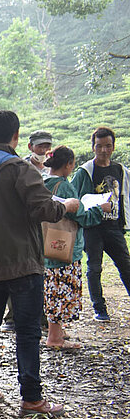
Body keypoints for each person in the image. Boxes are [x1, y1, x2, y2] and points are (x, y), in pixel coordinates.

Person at [0, 110, 79, 417]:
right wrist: (66, 204)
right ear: (16, 136)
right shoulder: (17, 168)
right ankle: (32, 398)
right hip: (22, 262)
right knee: (27, 330)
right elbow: (44, 209)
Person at [41, 146, 110, 349]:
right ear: (68, 165)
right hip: (63, 246)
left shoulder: (42, 183)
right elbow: (82, 216)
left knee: (52, 287)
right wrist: (100, 209)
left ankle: (57, 331)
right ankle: (55, 338)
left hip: (44, 244)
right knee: (60, 289)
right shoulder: (64, 186)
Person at [69, 126, 130, 322]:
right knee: (94, 267)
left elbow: (124, 197)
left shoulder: (120, 170)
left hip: (114, 227)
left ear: (113, 147)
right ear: (93, 147)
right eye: (99, 146)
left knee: (125, 264)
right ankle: (99, 309)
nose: (104, 150)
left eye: (108, 146)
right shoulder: (85, 171)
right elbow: (74, 197)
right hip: (92, 227)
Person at [2, 130, 55, 333]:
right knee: (18, 270)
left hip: (46, 226)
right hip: (23, 227)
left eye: (46, 146)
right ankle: (13, 315)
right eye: (39, 146)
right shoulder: (20, 168)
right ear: (30, 147)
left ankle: (41, 315)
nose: (43, 150)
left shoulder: (52, 168)